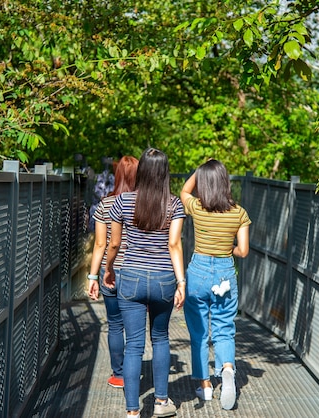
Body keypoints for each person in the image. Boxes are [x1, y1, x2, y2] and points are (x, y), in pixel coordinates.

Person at [105, 148, 186, 418]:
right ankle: (161, 402)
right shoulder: (174, 204)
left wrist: (107, 269)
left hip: (131, 277)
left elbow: (114, 242)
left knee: (134, 345)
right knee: (161, 338)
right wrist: (181, 282)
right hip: (163, 278)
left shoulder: (123, 202)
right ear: (165, 172)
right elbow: (174, 244)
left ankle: (132, 412)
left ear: (142, 171)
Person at [180, 159, 251, 410]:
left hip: (198, 272)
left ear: (204, 182)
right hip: (224, 274)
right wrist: (227, 248)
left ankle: (205, 385)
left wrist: (198, 172)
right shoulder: (239, 213)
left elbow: (183, 191)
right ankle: (228, 369)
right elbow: (243, 251)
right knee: (224, 327)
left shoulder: (198, 207)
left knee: (199, 332)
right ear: (225, 182)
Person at [87, 156, 139, 389]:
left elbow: (100, 244)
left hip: (112, 270)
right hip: (138, 270)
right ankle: (133, 371)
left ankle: (119, 374)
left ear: (116, 176)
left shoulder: (105, 204)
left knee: (115, 324)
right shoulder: (145, 203)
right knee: (135, 326)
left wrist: (93, 276)